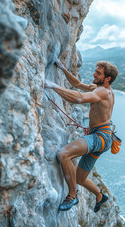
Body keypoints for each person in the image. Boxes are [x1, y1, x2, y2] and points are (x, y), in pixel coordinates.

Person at [44, 59, 118, 212]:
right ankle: (99, 195)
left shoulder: (103, 92)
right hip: (103, 138)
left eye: (98, 73)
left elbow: (80, 98)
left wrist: (53, 86)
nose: (94, 74)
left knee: (63, 154)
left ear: (107, 78)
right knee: (80, 178)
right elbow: (77, 84)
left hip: (100, 138)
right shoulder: (100, 88)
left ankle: (72, 196)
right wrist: (63, 68)